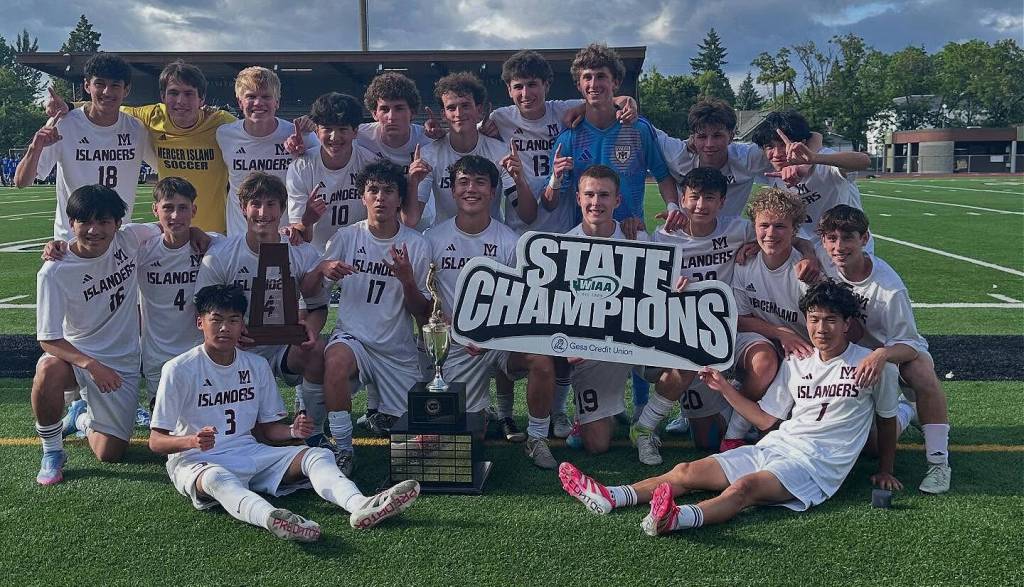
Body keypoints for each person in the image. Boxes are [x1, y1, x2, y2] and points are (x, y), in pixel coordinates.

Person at [560, 279, 902, 535]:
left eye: (830, 320)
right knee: (685, 471)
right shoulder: (798, 361)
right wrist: (723, 388)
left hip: (817, 466)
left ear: (846, 324)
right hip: (778, 445)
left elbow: (887, 420)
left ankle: (676, 518)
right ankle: (611, 496)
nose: (820, 329)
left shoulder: (872, 364)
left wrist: (886, 469)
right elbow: (766, 418)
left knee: (744, 490)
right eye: (814, 319)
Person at [150, 284, 420, 542]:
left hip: (248, 451)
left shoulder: (256, 365)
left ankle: (361, 504)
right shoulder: (178, 369)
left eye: (233, 320)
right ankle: (272, 518)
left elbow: (268, 430)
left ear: (241, 324)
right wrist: (191, 441)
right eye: (216, 320)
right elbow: (156, 441)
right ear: (200, 322)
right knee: (217, 479)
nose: (224, 328)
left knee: (318, 455)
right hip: (198, 461)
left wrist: (292, 431)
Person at [547, 44, 684, 419]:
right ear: (579, 83)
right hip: (586, 245)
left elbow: (664, 175)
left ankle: (641, 405)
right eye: (587, 78)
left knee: (636, 319)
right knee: (582, 323)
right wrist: (556, 179)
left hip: (632, 238)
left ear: (616, 82)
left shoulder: (638, 129)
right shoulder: (571, 134)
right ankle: (573, 407)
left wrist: (672, 208)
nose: (594, 84)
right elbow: (551, 196)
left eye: (601, 77)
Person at [422, 155, 557, 468]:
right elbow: (425, 298)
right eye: (464, 182)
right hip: (455, 346)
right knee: (466, 437)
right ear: (452, 190)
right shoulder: (433, 239)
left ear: (493, 191)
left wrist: (492, 334)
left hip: (498, 342)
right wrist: (454, 328)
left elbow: (518, 303)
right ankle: (481, 412)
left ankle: (537, 438)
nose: (472, 189)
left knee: (542, 360)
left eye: (480, 182)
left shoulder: (510, 241)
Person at [301, 160, 431, 468]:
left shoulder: (417, 244)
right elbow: (307, 290)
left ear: (400, 198)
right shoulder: (347, 237)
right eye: (373, 190)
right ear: (363, 197)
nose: (380, 198)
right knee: (334, 360)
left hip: (396, 350)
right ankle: (344, 449)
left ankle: (383, 412)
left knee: (421, 447)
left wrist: (407, 280)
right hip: (353, 338)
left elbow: (424, 315)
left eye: (389, 191)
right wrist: (321, 269)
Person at [194, 172, 332, 463]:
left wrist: (310, 327)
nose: (263, 212)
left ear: (282, 210)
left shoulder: (300, 252)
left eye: (271, 204)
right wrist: (230, 329)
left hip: (281, 346)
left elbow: (318, 305)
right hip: (237, 350)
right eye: (255, 203)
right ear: (243, 208)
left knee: (317, 349)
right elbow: (205, 308)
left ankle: (314, 429)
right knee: (256, 440)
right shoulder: (221, 255)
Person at [816, 204, 951, 493]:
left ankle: (939, 463)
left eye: (848, 238)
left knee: (922, 372)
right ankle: (905, 413)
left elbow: (911, 345)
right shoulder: (823, 262)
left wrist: (882, 354)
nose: (838, 247)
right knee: (871, 448)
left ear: (865, 239)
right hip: (845, 355)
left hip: (887, 358)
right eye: (831, 238)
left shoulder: (888, 287)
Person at [33, 185, 161, 484]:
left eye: (103, 222)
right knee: (47, 369)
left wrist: (196, 234)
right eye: (84, 222)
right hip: (78, 359)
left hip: (123, 360)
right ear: (71, 223)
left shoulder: (130, 238)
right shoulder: (54, 271)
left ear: (118, 223)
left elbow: (167, 225)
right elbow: (48, 339)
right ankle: (52, 451)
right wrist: (91, 365)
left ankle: (80, 415)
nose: (93, 230)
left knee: (111, 453)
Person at [634, 166, 756, 462]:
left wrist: (752, 246)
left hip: (719, 330)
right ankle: (644, 428)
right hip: (674, 329)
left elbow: (775, 237)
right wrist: (668, 288)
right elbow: (647, 287)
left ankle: (720, 405)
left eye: (710, 198)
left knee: (706, 441)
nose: (701, 205)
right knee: (693, 351)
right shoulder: (663, 237)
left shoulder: (739, 230)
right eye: (694, 197)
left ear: (722, 202)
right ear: (682, 198)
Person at [47, 60, 236, 232]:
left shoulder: (222, 123)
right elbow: (107, 104)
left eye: (189, 93)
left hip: (215, 235)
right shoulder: (151, 116)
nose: (180, 101)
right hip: (171, 234)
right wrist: (69, 105)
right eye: (173, 93)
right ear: (162, 96)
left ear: (202, 99)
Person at [559, 165, 647, 455]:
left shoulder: (638, 239)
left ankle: (647, 422)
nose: (596, 202)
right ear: (578, 198)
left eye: (604, 195)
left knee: (681, 362)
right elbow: (557, 309)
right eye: (590, 194)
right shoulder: (563, 246)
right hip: (593, 349)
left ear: (617, 201)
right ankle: (600, 410)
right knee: (596, 446)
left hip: (634, 341)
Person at [720, 188, 816, 452]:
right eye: (764, 225)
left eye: (780, 226)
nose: (770, 234)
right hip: (760, 337)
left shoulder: (805, 270)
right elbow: (738, 319)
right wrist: (779, 331)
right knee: (764, 362)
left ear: (795, 230)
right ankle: (733, 435)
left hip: (799, 346)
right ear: (754, 226)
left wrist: (789, 338)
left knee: (788, 431)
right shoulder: (744, 262)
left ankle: (749, 392)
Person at [16, 53, 150, 240]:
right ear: (87, 85)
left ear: (126, 90)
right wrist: (35, 148)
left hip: (117, 240)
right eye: (100, 84)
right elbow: (21, 182)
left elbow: (165, 167)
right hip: (70, 242)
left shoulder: (137, 129)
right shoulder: (63, 124)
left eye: (115, 86)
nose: (107, 92)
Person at [405, 72, 537, 232]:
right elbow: (410, 220)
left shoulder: (500, 152)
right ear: (443, 115)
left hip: (491, 244)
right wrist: (412, 183)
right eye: (451, 108)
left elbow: (528, 216)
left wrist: (520, 180)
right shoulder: (429, 154)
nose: (459, 113)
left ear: (479, 109)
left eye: (465, 105)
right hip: (444, 244)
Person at [216, 66, 317, 236]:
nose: (258, 103)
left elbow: (324, 169)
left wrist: (303, 151)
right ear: (240, 102)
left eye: (266, 97)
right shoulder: (224, 135)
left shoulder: (298, 134)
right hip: (240, 238)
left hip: (286, 237)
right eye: (251, 96)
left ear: (277, 101)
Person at [751, 110, 871, 246]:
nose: (777, 154)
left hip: (846, 243)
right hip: (807, 246)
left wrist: (813, 159)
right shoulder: (769, 169)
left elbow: (864, 161)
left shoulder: (823, 162)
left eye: (784, 145)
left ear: (802, 143)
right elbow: (815, 135)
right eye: (770, 147)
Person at [287, 92, 379, 253]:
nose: (334, 137)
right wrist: (307, 220)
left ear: (355, 131)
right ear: (316, 131)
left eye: (342, 129)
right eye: (327, 129)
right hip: (316, 255)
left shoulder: (370, 164)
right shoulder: (301, 167)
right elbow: (300, 232)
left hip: (361, 254)